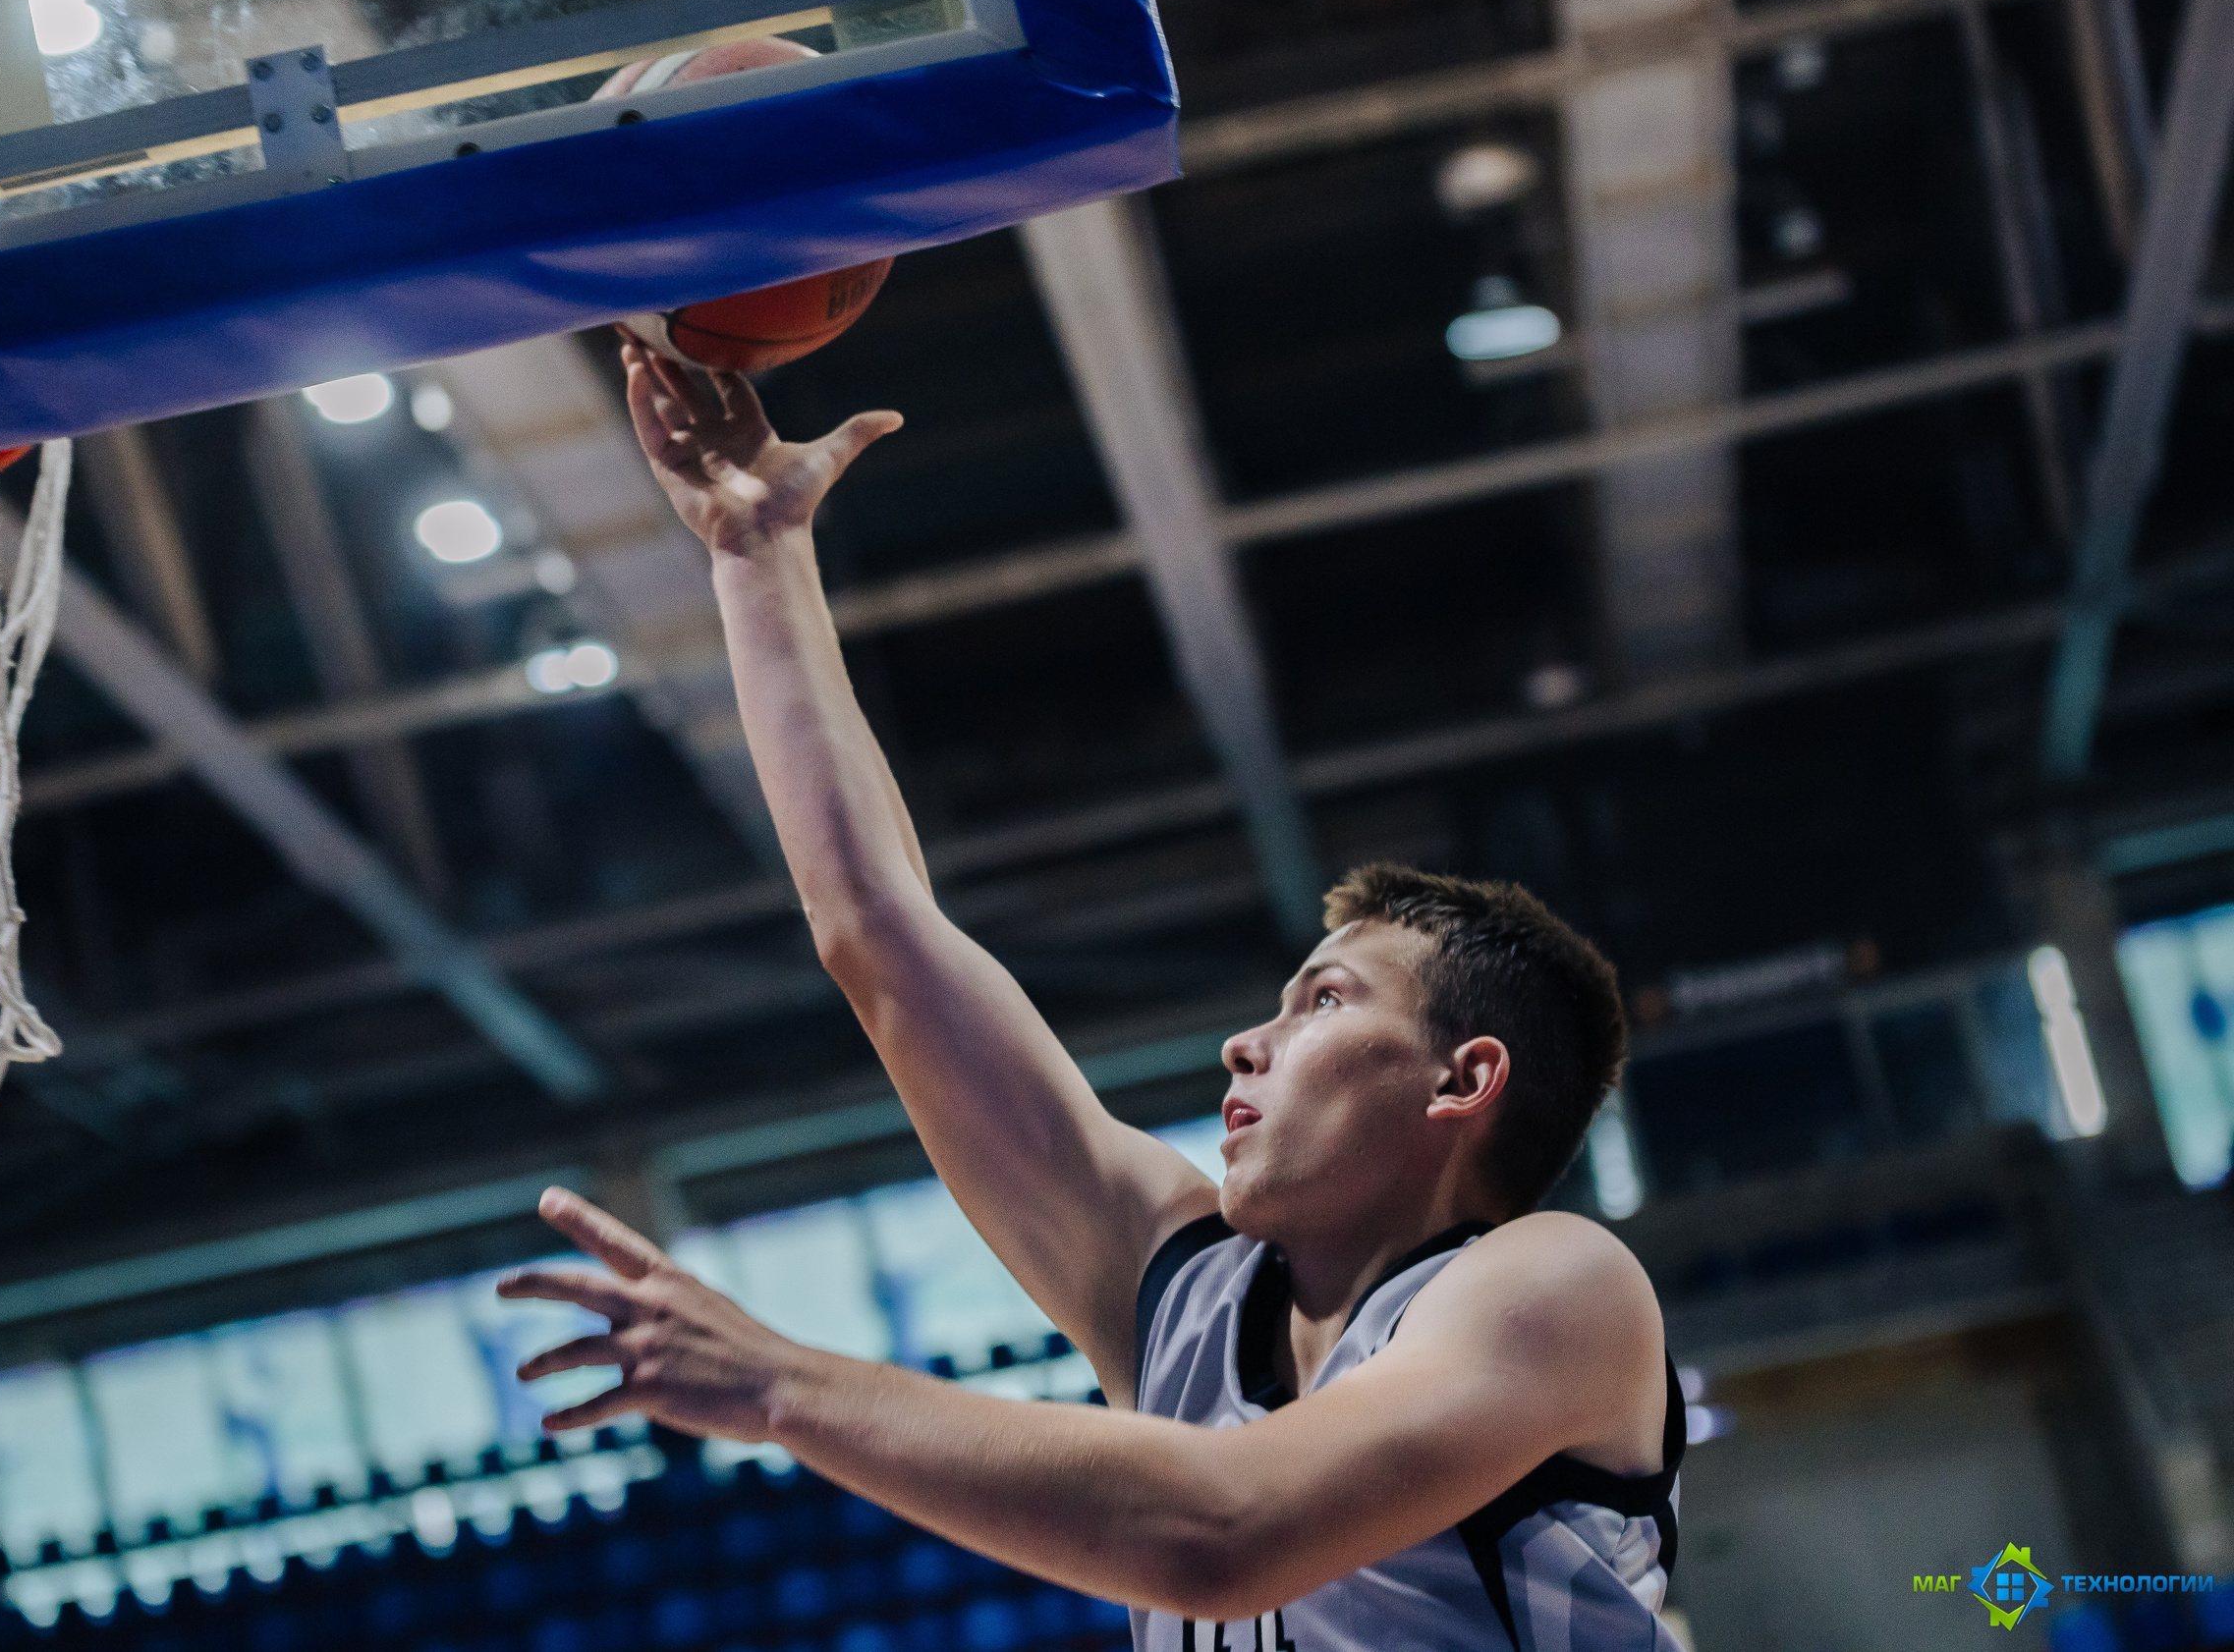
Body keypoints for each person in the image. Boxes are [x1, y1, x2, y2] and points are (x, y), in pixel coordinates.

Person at [495, 340, 1686, 1652]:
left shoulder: (1556, 1286)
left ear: (1462, 1080)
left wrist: (779, 1383)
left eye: (1324, 1004)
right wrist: (756, 556)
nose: (1248, 1042)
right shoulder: (1179, 1292)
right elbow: (876, 938)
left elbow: (1221, 1535)